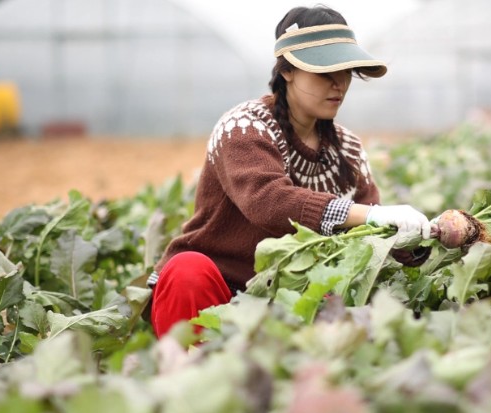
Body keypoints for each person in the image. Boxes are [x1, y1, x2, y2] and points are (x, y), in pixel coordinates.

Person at [147, 5, 432, 338]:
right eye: (325, 72)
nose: (338, 84)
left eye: (346, 73)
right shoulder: (244, 126)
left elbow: (370, 237)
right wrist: (370, 215)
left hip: (291, 302)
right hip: (217, 292)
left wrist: (412, 240)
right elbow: (267, 201)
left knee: (340, 302)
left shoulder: (350, 149)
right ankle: (184, 375)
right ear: (287, 71)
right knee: (187, 271)